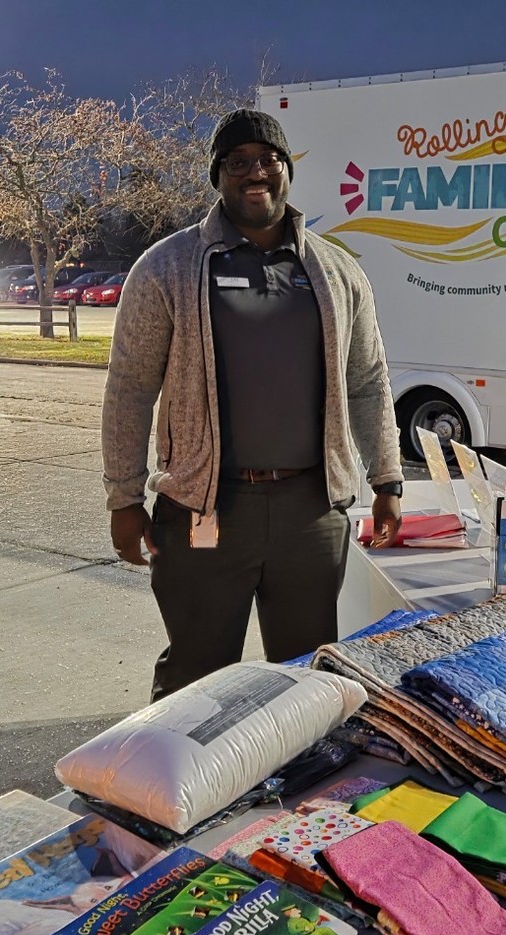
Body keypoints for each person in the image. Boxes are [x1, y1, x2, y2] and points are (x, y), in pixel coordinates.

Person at [102, 108, 403, 697]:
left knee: (305, 680)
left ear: (287, 170)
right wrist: (124, 497)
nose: (254, 172)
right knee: (196, 678)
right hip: (205, 507)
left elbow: (368, 380)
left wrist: (387, 479)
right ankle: (181, 762)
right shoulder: (167, 267)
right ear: (217, 176)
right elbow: (130, 389)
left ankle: (294, 761)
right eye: (237, 162)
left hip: (310, 512)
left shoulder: (336, 271)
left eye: (268, 159)